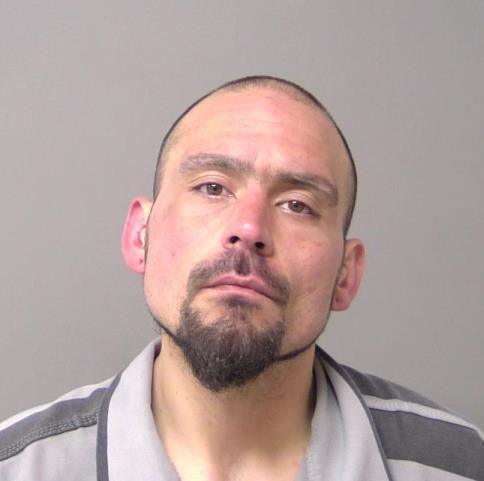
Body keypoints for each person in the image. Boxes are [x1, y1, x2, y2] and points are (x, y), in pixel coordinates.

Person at [0, 76, 482, 481]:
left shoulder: (458, 467)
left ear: (346, 274)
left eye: (297, 205)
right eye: (212, 187)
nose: (249, 228)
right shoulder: (20, 468)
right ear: (139, 235)